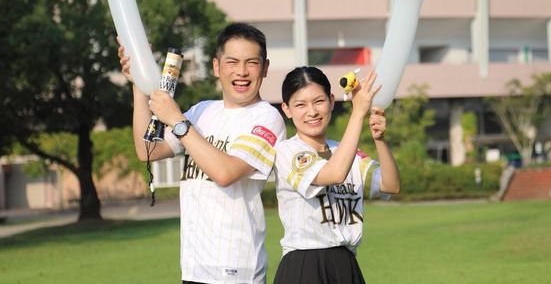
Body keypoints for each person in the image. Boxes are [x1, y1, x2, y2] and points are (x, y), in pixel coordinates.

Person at [118, 23, 286, 284]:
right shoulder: (202, 111)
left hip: (235, 269)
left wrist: (177, 120)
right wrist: (140, 86)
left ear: (265, 68)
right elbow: (148, 150)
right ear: (216, 67)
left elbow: (225, 173)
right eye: (232, 62)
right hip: (194, 266)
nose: (242, 72)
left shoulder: (267, 118)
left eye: (251, 63)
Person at [273, 66, 401, 284]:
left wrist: (380, 140)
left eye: (319, 101)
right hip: (303, 265)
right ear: (287, 109)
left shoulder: (347, 152)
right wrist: (358, 113)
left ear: (332, 101)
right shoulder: (288, 151)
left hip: (345, 264)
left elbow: (391, 185)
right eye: (300, 105)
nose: (312, 112)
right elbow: (334, 174)